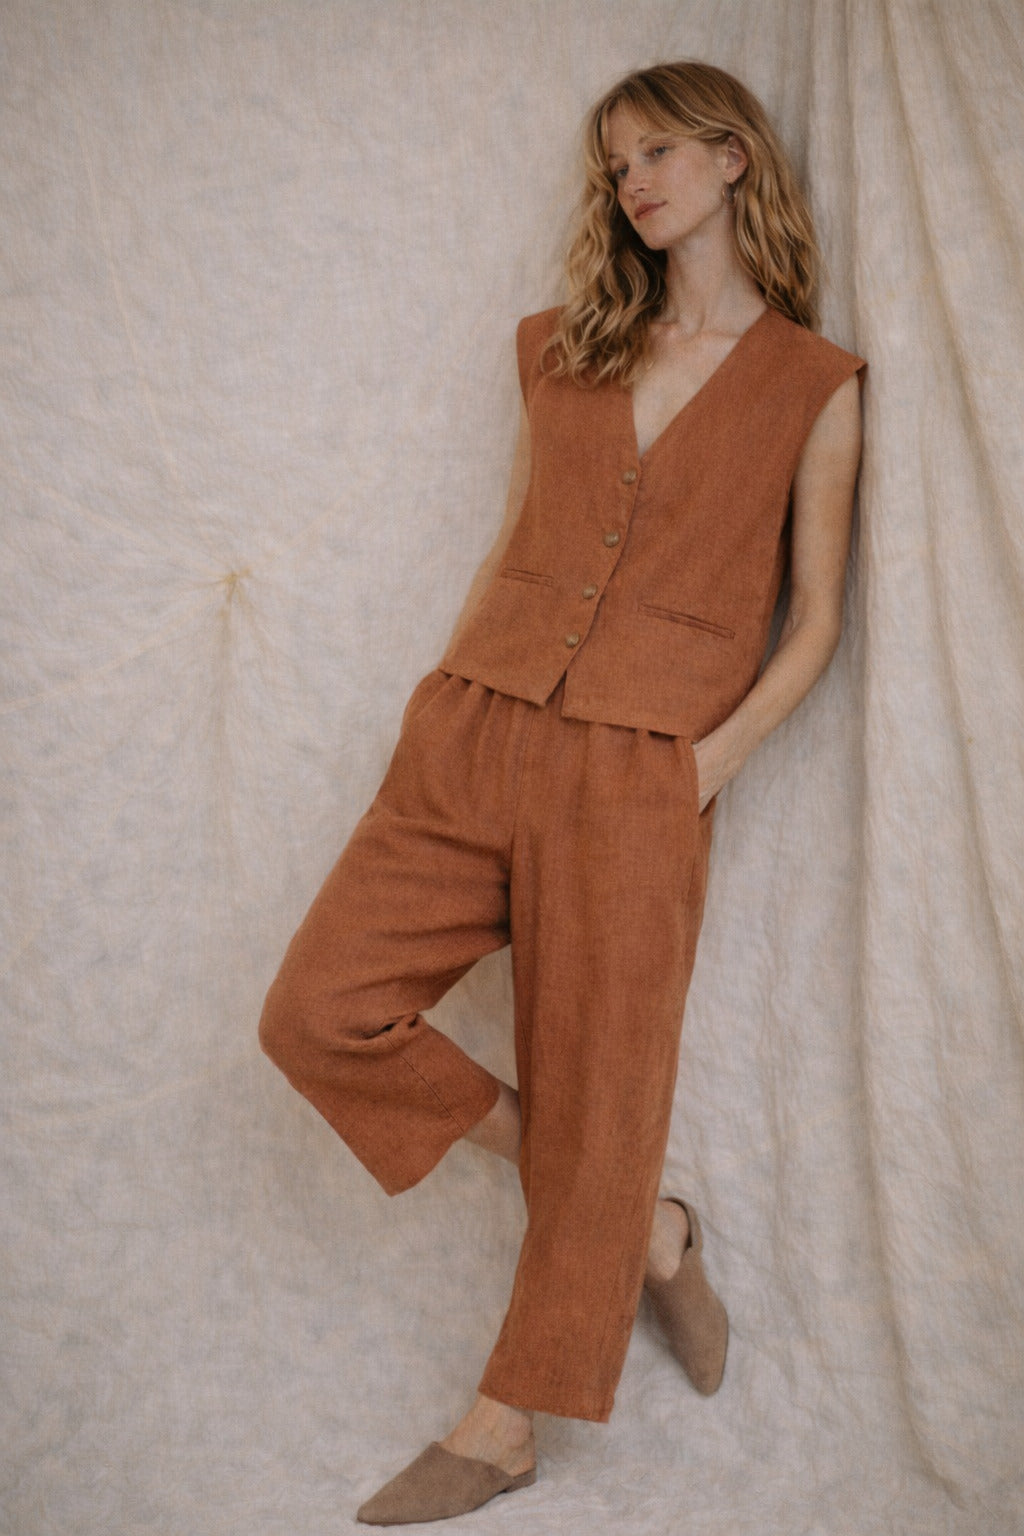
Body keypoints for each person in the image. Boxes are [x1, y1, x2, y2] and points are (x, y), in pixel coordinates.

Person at [259, 59, 865, 1526]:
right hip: (473, 730)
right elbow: (514, 537)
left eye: (656, 152)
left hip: (639, 776)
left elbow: (815, 622)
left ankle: (506, 1426)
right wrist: (439, 696)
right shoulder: (562, 347)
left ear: (732, 156)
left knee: (606, 1083)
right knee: (318, 1011)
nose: (633, 182)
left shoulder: (814, 385)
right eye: (616, 165)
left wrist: (704, 767)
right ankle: (642, 1222)